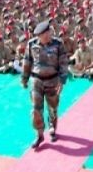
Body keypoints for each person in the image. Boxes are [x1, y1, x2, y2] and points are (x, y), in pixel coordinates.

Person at [22, 20, 68, 149]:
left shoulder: (58, 44)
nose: (48, 35)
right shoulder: (31, 44)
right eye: (44, 34)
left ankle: (52, 127)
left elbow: (63, 62)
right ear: (38, 36)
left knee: (52, 107)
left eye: (49, 32)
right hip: (36, 81)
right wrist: (24, 79)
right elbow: (27, 62)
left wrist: (62, 80)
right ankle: (39, 134)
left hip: (53, 80)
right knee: (36, 109)